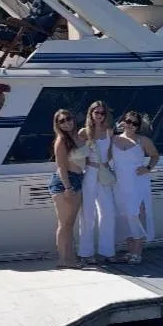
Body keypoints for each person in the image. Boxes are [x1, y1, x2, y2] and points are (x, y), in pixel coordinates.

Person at [111, 111, 160, 264]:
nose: (131, 125)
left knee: (134, 215)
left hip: (137, 182)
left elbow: (155, 156)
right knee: (124, 216)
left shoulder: (143, 140)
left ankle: (137, 253)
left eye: (135, 123)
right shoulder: (114, 139)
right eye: (128, 121)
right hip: (119, 183)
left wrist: (148, 168)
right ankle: (130, 251)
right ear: (123, 121)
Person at [77, 101, 117, 264]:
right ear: (91, 113)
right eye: (96, 112)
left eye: (102, 113)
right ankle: (85, 253)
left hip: (104, 173)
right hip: (90, 173)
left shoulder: (109, 131)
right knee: (87, 213)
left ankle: (107, 251)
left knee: (108, 213)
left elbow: (111, 153)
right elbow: (76, 154)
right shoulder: (84, 132)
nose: (99, 115)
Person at [49, 109, 85, 268]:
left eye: (68, 119)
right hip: (65, 183)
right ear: (57, 124)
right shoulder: (61, 141)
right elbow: (62, 167)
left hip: (78, 180)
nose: (66, 123)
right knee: (64, 224)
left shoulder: (77, 137)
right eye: (61, 121)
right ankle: (64, 260)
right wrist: (68, 188)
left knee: (70, 224)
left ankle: (70, 259)